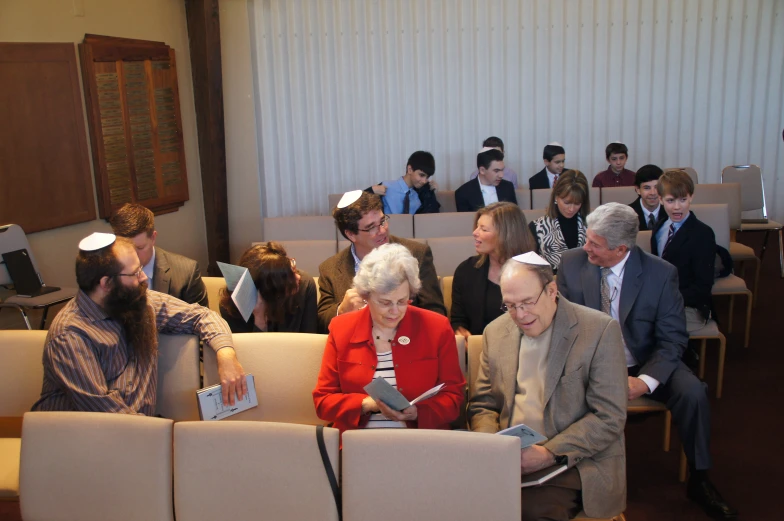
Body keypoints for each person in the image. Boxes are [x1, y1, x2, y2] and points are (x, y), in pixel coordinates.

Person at [556, 203, 738, 520]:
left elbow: (673, 339)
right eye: (588, 239)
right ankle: (571, 480)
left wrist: (645, 382)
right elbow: (560, 327)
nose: (586, 248)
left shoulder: (660, 273)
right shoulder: (572, 263)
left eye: (595, 244)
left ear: (621, 248)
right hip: (587, 362)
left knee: (693, 392)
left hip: (643, 361)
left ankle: (700, 478)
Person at [468, 252, 627, 521]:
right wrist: (493, 448)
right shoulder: (496, 332)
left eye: (528, 302)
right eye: (510, 305)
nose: (520, 315)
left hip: (573, 460)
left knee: (524, 511)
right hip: (507, 458)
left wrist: (548, 453)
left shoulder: (598, 330)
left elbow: (609, 416)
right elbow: (483, 404)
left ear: (551, 290)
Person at [32, 233, 246, 415]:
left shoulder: (138, 301)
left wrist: (226, 355)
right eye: (135, 273)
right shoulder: (70, 335)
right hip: (82, 444)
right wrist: (162, 439)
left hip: (138, 432)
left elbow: (201, 316)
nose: (144, 278)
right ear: (106, 283)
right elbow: (108, 416)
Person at [313, 243, 465, 433]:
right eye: (385, 303)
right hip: (358, 441)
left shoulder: (437, 327)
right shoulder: (342, 328)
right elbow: (323, 401)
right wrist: (365, 404)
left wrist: (418, 412)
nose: (394, 311)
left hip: (421, 441)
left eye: (402, 301)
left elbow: (454, 397)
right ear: (366, 296)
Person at [318, 190, 445, 332]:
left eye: (383, 221)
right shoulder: (330, 268)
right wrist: (341, 309)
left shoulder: (417, 254)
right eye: (371, 227)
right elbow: (321, 322)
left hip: (407, 342)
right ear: (351, 234)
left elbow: (436, 312)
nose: (383, 230)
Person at [451, 202, 536, 340]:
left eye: (484, 229)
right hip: (479, 352)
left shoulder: (535, 272)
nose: (475, 233)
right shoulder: (466, 270)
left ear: (506, 236)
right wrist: (461, 333)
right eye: (477, 227)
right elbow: (457, 320)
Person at [651, 170, 715, 332]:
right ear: (660, 199)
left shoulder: (703, 234)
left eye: (683, 200)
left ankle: (686, 355)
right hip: (661, 298)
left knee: (655, 329)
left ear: (691, 197)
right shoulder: (660, 227)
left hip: (689, 305)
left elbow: (702, 287)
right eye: (670, 201)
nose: (677, 207)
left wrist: (664, 299)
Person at [109, 203, 208, 306]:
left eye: (140, 248)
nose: (134, 255)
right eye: (128, 249)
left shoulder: (187, 273)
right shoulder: (108, 273)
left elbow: (203, 320)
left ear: (153, 238)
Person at [219, 242, 318, 333]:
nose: (298, 277)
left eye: (293, 269)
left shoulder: (304, 285)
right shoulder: (232, 306)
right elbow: (249, 350)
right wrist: (260, 320)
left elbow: (310, 340)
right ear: (270, 289)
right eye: (288, 277)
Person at [529, 170, 590, 271]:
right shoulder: (537, 227)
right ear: (556, 197)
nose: (571, 209)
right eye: (567, 202)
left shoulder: (591, 226)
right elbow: (529, 267)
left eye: (577, 203)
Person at [367, 151, 440, 214]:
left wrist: (431, 194)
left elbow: (431, 219)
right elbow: (358, 205)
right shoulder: (386, 186)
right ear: (410, 169)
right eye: (421, 175)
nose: (424, 181)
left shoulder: (421, 194)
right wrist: (371, 190)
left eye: (427, 177)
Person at [455, 148, 517, 212]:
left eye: (502, 170)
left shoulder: (508, 187)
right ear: (482, 170)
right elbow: (464, 220)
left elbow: (514, 216)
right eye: (496, 171)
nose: (501, 175)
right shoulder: (463, 193)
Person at [629, 164, 666, 231]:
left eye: (657, 187)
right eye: (647, 188)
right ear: (638, 190)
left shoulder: (671, 212)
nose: (653, 193)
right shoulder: (627, 214)